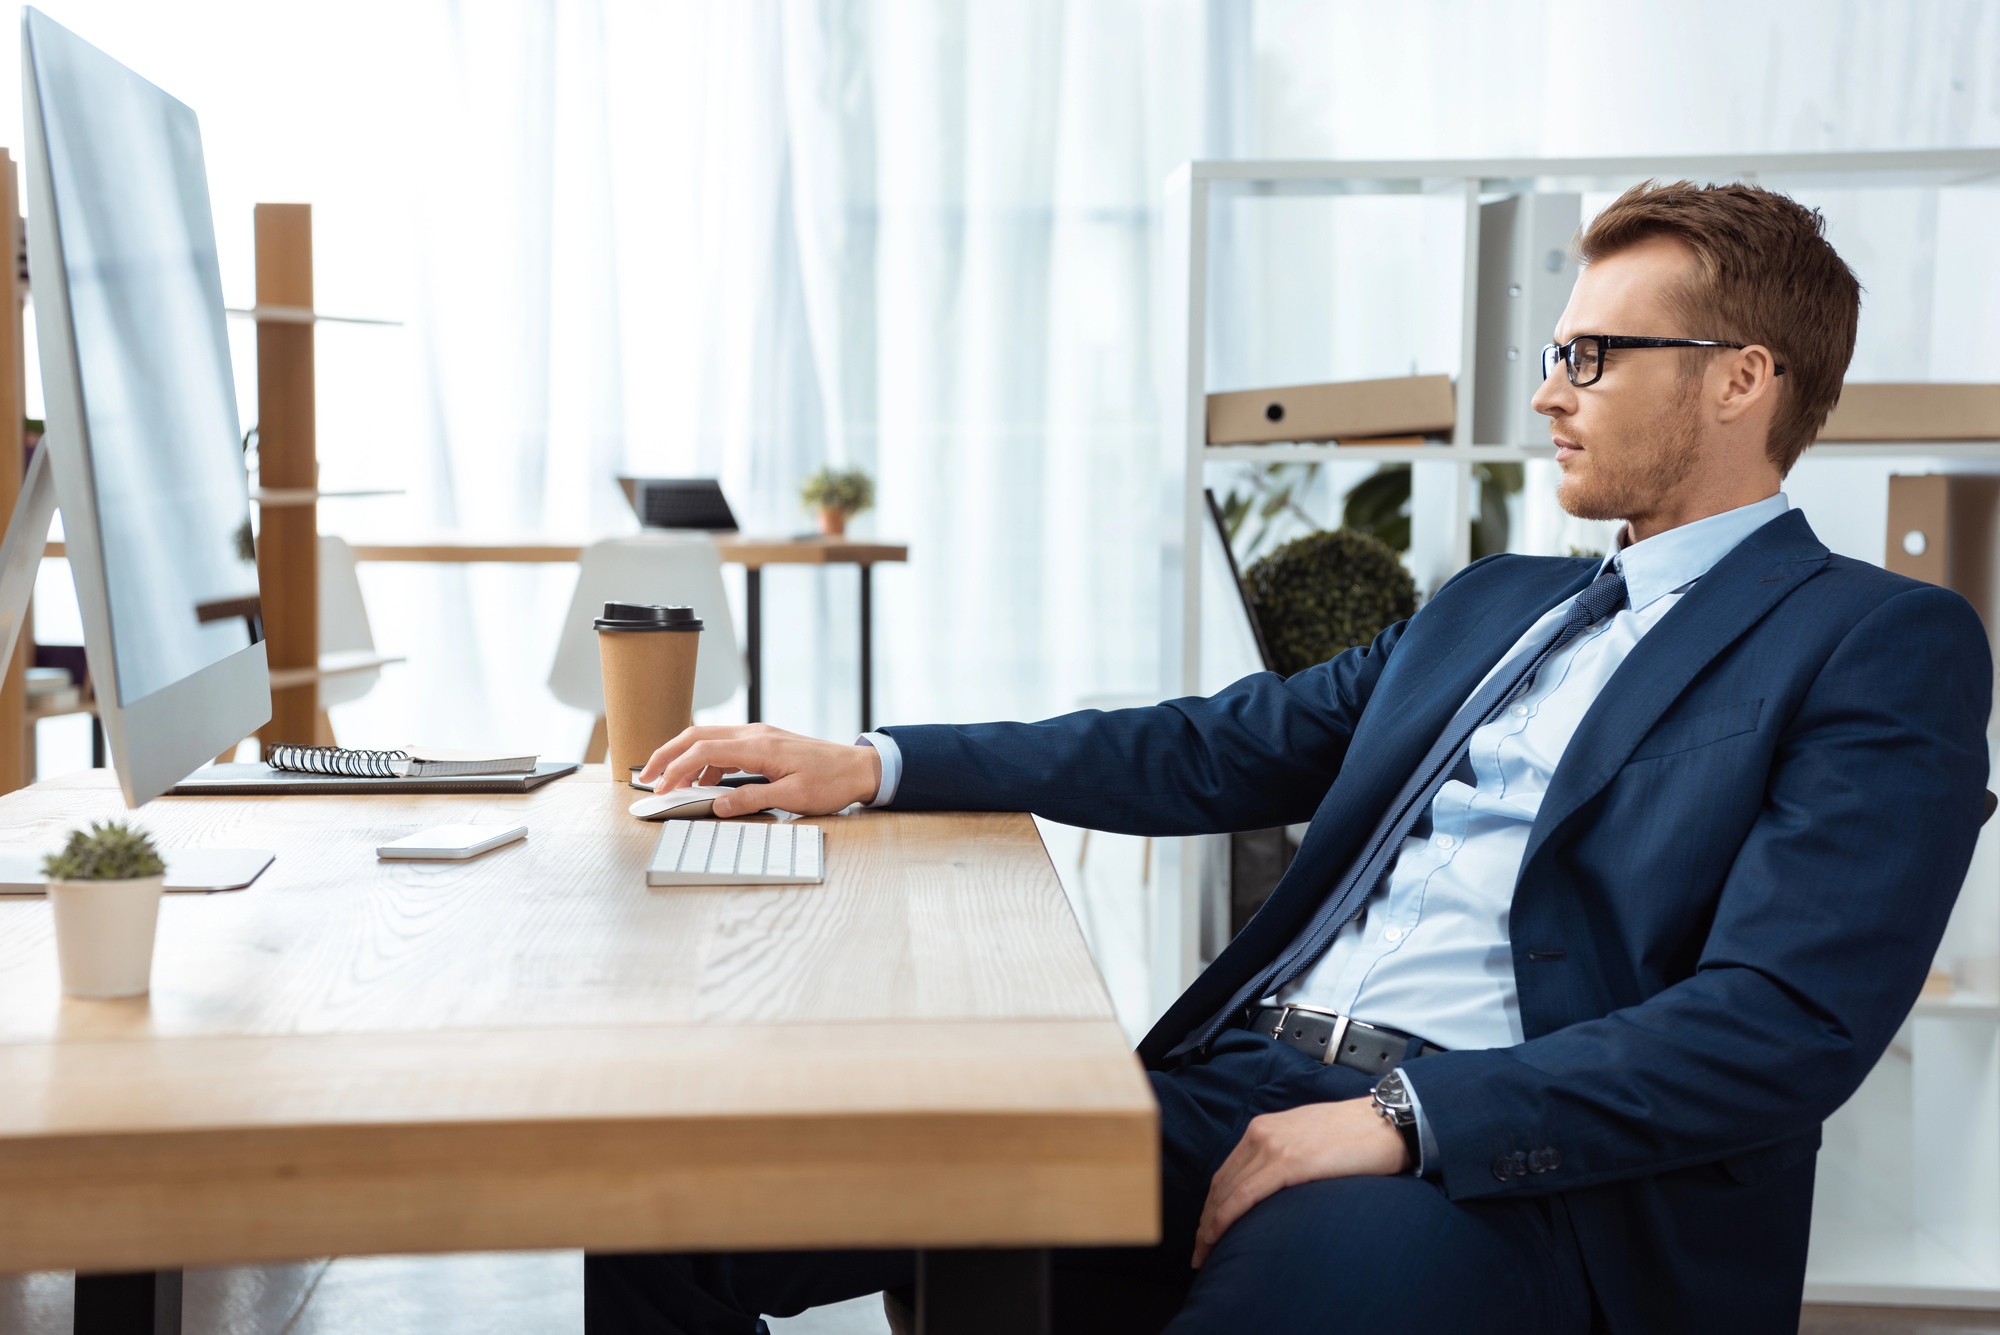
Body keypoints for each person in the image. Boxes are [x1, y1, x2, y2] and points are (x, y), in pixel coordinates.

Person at [586, 181, 1993, 1335]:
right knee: (664, 1212)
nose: (1553, 391)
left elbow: (1783, 1023)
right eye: (1555, 350)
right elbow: (1214, 747)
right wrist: (876, 761)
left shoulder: (1878, 640)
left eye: (1593, 354)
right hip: (1232, 1083)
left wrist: (1409, 1114)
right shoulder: (1497, 603)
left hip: (1502, 1166)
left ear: (1744, 379)